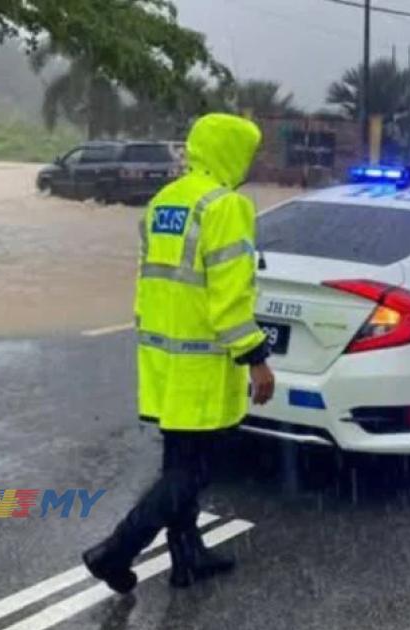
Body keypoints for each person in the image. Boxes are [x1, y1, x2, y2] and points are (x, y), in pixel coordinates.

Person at [82, 113, 275, 592]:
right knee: (192, 474)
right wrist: (256, 358)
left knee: (179, 466)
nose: (250, 163)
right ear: (229, 151)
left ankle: (187, 558)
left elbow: (152, 284)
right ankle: (115, 551)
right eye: (248, 152)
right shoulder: (226, 206)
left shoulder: (166, 199)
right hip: (204, 363)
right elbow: (229, 299)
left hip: (164, 359)